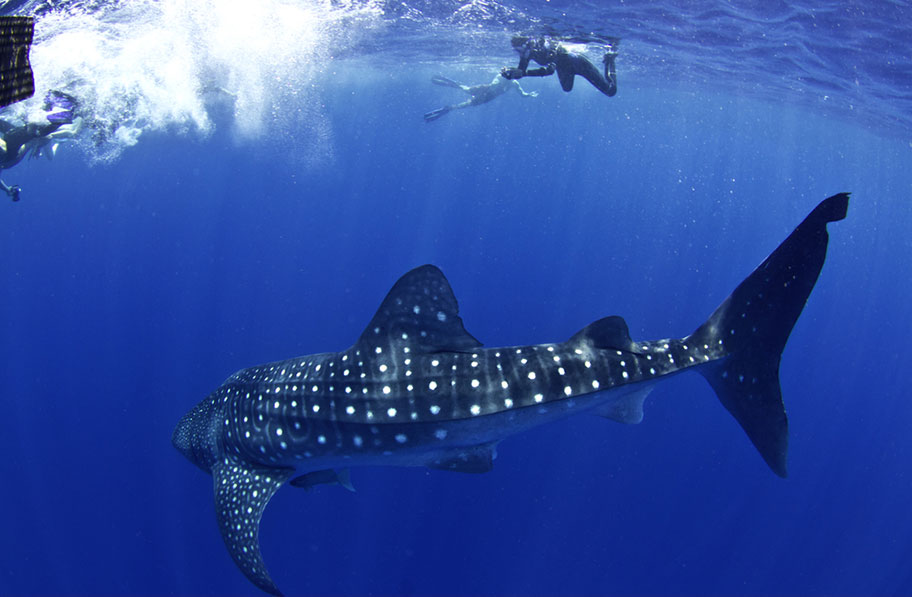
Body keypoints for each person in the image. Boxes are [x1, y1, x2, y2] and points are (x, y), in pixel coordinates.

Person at [0, 89, 80, 201]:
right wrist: (8, 189)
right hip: (10, 151)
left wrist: (8, 189)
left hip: (10, 147)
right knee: (34, 130)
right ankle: (66, 113)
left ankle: (54, 108)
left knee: (32, 128)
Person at [501, 36, 618, 97]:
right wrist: (510, 74)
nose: (522, 54)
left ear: (529, 43)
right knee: (567, 89)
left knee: (610, 91)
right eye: (518, 51)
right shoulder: (527, 53)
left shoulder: (548, 45)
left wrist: (523, 73)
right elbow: (521, 72)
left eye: (522, 50)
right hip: (564, 68)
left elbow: (549, 71)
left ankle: (610, 59)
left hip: (577, 62)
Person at [424, 72, 538, 123]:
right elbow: (494, 85)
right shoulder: (504, 77)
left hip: (488, 96)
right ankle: (451, 83)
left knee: (467, 103)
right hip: (485, 90)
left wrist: (528, 95)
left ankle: (448, 108)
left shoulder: (513, 83)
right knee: (466, 90)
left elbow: (522, 94)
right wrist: (501, 85)